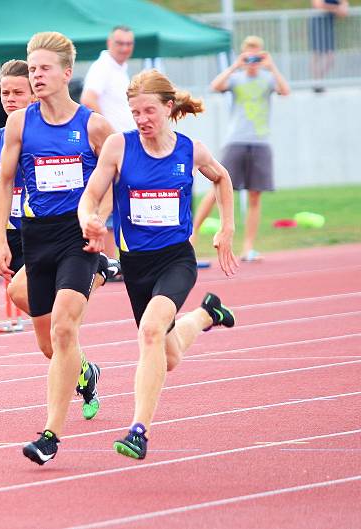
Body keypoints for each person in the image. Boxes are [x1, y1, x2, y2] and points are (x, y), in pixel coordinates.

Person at [78, 69, 239, 461]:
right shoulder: (119, 147)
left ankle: (139, 431)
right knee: (167, 355)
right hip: (136, 265)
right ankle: (206, 314)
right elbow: (92, 194)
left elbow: (222, 178)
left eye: (149, 111)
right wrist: (89, 219)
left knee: (150, 332)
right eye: (135, 112)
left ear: (168, 108)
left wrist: (227, 227)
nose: (142, 119)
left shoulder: (190, 150)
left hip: (175, 260)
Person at [0, 32, 115, 465]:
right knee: (50, 343)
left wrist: (101, 222)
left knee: (64, 328)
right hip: (36, 236)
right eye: (32, 68)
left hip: (78, 236)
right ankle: (86, 371)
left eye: (43, 68)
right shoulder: (20, 123)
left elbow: (114, 176)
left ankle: (50, 436)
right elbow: (4, 182)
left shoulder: (94, 125)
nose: (36, 75)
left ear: (66, 73)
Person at [0, 59, 118, 316]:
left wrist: (96, 215)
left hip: (52, 230)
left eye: (18, 93)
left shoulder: (56, 133)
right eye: (5, 93)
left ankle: (94, 272)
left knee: (55, 311)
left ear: (35, 94)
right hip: (17, 236)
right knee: (46, 332)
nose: (10, 99)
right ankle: (72, 350)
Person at [191, 36, 290, 263]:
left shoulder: (268, 79)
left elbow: (285, 91)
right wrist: (237, 65)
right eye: (249, 55)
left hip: (261, 141)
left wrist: (271, 66)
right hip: (236, 140)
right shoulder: (236, 79)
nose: (253, 60)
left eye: (257, 55)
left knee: (255, 195)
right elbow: (215, 86)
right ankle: (193, 236)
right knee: (217, 188)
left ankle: (248, 247)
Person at [79, 25, 135, 261]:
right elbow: (88, 99)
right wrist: (110, 134)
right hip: (114, 146)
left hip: (125, 145)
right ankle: (109, 259)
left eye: (128, 44)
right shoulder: (103, 67)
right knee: (110, 198)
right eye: (119, 43)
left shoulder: (120, 69)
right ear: (109, 42)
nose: (124, 48)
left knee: (121, 199)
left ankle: (116, 258)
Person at [309, 0, 350, 91]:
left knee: (330, 58)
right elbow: (317, 4)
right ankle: (316, 82)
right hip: (317, 23)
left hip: (329, 25)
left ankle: (317, 80)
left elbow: (344, 12)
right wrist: (336, 8)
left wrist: (337, 8)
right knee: (317, 54)